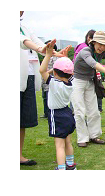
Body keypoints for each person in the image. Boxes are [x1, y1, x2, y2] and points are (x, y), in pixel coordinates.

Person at [20, 11, 68, 166]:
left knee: (22, 121)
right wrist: (43, 50)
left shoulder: (24, 26)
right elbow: (24, 41)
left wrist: (54, 53)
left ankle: (18, 155)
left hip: (27, 77)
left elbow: (39, 44)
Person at [39, 39, 76, 170]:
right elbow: (68, 73)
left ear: (54, 72)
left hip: (57, 115)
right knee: (68, 143)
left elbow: (42, 70)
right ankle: (71, 166)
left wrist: (48, 54)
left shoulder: (54, 83)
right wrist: (65, 59)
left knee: (59, 145)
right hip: (67, 113)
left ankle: (61, 169)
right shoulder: (70, 83)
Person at [41, 40, 59, 118]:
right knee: (44, 97)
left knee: (49, 97)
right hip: (44, 80)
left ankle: (50, 112)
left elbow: (55, 66)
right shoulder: (45, 57)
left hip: (50, 79)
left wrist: (47, 72)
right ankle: (46, 113)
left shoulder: (55, 57)